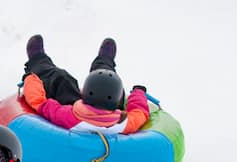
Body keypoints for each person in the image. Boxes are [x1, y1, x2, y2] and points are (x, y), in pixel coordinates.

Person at [21, 35, 150, 134]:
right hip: (109, 118)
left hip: (76, 113)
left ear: (83, 94)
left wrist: (31, 79)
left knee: (61, 78)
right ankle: (105, 60)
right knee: (108, 77)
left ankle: (38, 60)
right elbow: (140, 112)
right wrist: (138, 92)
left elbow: (39, 102)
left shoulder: (68, 116)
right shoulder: (124, 123)